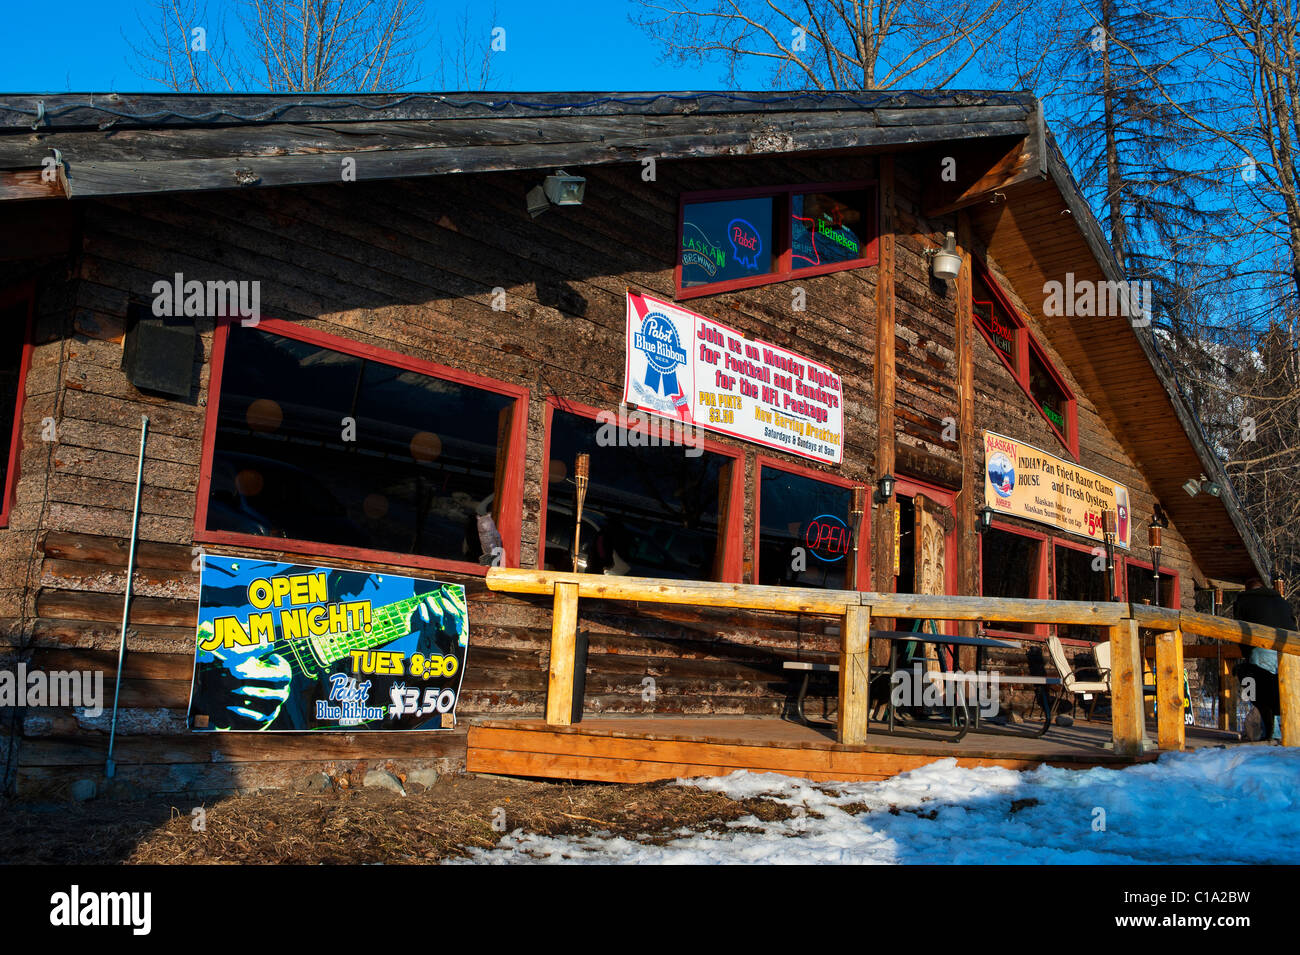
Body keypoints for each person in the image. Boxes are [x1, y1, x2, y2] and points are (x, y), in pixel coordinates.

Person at [1232, 577, 1292, 741]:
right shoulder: (1281, 601)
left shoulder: (1244, 601)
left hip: (1261, 649)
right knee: (1282, 692)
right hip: (1288, 649)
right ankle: (1288, 732)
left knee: (1263, 696)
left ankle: (1271, 735)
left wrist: (1247, 653)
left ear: (1247, 589)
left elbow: (1238, 630)